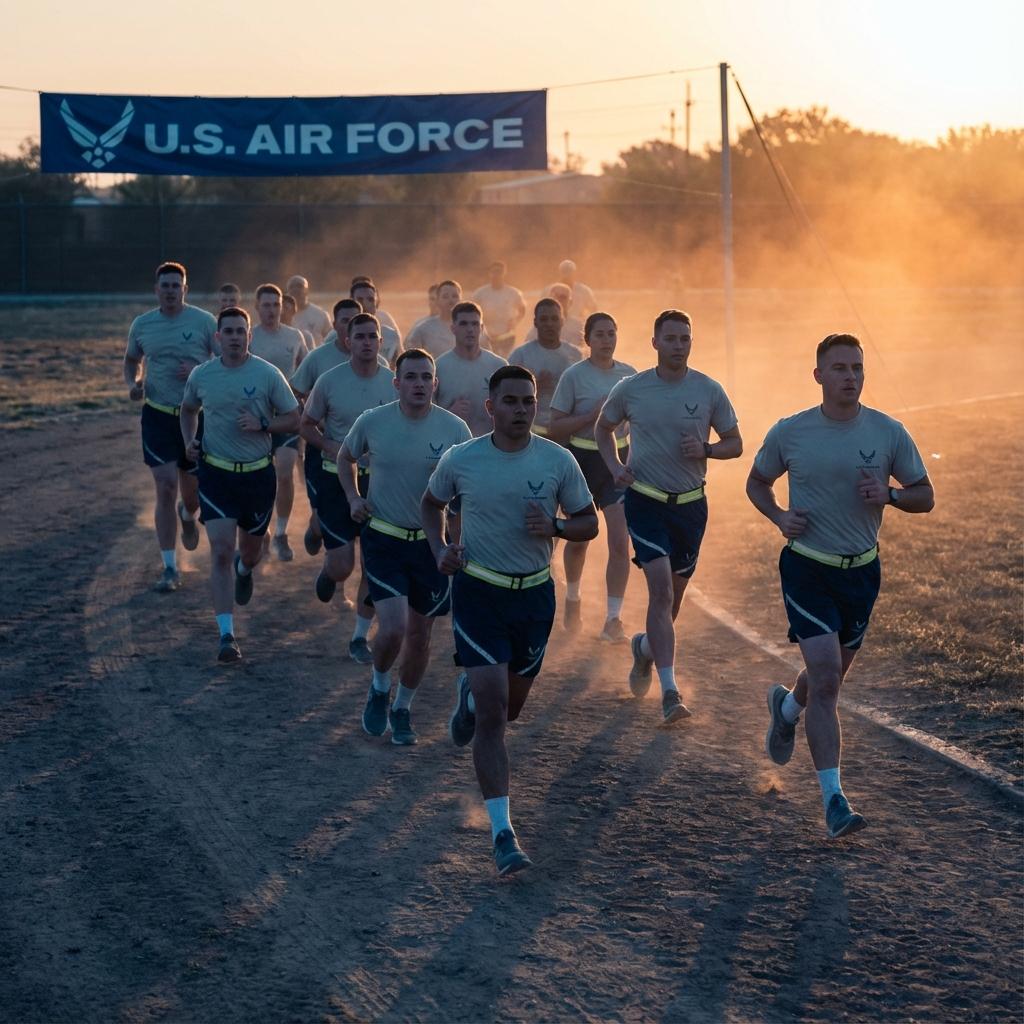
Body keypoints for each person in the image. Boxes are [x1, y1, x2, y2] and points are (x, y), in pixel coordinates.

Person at [746, 332, 934, 839]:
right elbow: (756, 481)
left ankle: (786, 708)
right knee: (827, 678)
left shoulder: (889, 431)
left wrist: (891, 495)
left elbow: (925, 495)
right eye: (840, 368)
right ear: (819, 375)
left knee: (825, 679)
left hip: (862, 572)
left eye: (856, 367)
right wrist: (779, 516)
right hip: (807, 567)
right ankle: (834, 800)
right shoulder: (792, 431)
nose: (850, 376)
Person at [421, 365, 598, 876]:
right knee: (496, 714)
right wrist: (439, 551)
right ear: (489, 407)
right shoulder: (462, 459)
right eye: (512, 401)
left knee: (510, 709)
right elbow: (431, 505)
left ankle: (469, 698)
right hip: (478, 592)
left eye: (529, 402)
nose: (521, 410)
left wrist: (559, 526)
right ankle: (503, 833)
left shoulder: (558, 460)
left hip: (535, 597)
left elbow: (591, 521)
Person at [595, 309, 742, 724]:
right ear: (654, 342)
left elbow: (736, 443)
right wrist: (614, 466)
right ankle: (671, 692)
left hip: (692, 506)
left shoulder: (709, 390)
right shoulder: (632, 388)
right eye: (671, 338)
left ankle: (644, 649)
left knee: (670, 604)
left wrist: (708, 450)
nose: (679, 345)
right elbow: (602, 428)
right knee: (659, 592)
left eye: (685, 338)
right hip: (645, 502)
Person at [340, 349, 471, 744]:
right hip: (383, 537)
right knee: (394, 628)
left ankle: (402, 708)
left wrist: (457, 543)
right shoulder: (373, 422)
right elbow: (346, 456)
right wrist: (353, 497)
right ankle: (380, 687)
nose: (419, 384)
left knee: (421, 637)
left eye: (425, 377)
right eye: (410, 377)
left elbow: (467, 492)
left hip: (431, 547)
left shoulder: (454, 430)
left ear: (436, 383)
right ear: (395, 383)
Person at [179, 306, 300, 662]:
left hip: (258, 475)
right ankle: (226, 635)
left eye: (240, 331)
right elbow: (188, 409)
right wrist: (190, 440)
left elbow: (294, 418)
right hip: (216, 474)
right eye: (227, 331)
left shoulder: (267, 374)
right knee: (219, 550)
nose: (234, 337)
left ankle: (245, 569)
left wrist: (264, 424)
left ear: (250, 336)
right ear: (218, 337)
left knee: (250, 551)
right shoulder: (202, 375)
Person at [299, 314, 395, 663]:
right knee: (343, 565)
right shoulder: (329, 381)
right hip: (334, 478)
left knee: (374, 564)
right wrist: (330, 447)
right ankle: (329, 572)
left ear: (380, 342)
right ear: (347, 341)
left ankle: (359, 636)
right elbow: (306, 425)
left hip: (379, 483)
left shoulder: (392, 382)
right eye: (360, 336)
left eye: (373, 336)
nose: (367, 342)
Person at [123, 261, 217, 591]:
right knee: (165, 486)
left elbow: (226, 363)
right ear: (156, 290)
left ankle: (188, 515)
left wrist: (199, 367)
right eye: (165, 285)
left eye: (177, 285)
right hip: (158, 415)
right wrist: (134, 383)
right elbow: (132, 359)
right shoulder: (143, 324)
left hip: (194, 417)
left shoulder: (205, 322)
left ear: (185, 290)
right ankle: (169, 567)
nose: (171, 291)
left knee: (191, 495)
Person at [549, 312, 636, 641]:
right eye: (599, 334)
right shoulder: (574, 376)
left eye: (611, 333)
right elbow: (556, 426)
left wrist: (635, 460)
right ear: (587, 340)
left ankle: (613, 619)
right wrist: (591, 415)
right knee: (581, 538)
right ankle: (573, 596)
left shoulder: (629, 377)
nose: (606, 340)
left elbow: (640, 425)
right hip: (582, 459)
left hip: (618, 460)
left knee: (619, 540)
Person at [250, 283, 307, 561]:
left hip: (287, 417)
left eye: (276, 305)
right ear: (257, 307)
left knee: (284, 472)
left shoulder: (295, 336)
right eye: (267, 305)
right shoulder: (249, 337)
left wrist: (304, 397)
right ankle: (262, 531)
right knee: (260, 480)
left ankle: (281, 534)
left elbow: (307, 372)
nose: (272, 310)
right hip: (255, 420)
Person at [508, 298, 581, 439]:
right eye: (544, 319)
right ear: (535, 322)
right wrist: (533, 387)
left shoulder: (576, 354)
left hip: (567, 435)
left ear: (562, 321)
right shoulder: (520, 355)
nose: (549, 324)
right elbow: (504, 395)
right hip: (530, 433)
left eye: (554, 319)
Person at [435, 301, 508, 437]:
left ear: (481, 328)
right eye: (463, 324)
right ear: (453, 328)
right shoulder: (438, 367)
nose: (470, 329)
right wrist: (449, 414)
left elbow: (511, 409)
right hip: (453, 447)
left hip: (491, 447)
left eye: (475, 324)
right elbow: (426, 417)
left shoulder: (499, 366)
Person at [472, 261, 526, 357]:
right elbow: (472, 311)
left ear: (504, 273)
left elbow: (522, 309)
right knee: (488, 358)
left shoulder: (513, 292)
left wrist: (515, 321)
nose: (496, 274)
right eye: (494, 271)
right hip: (486, 335)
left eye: (499, 272)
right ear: (489, 273)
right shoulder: (480, 293)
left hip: (507, 334)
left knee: (507, 359)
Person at [404, 279, 465, 359]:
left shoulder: (473, 326)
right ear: (438, 301)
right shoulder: (423, 329)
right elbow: (410, 357)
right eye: (445, 297)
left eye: (455, 296)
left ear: (461, 300)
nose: (451, 300)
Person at [523, 283, 584, 348]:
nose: (558, 300)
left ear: (570, 302)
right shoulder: (539, 327)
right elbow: (527, 350)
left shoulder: (579, 327)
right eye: (555, 296)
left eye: (563, 297)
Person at [351, 277, 403, 353]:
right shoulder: (338, 334)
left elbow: (399, 354)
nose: (365, 304)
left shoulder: (390, 334)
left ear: (376, 300)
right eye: (360, 299)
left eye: (370, 299)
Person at [286, 274, 332, 345]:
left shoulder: (320, 315)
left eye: (299, 286)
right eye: (291, 287)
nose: (295, 289)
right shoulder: (280, 317)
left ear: (307, 290)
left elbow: (331, 341)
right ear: (287, 292)